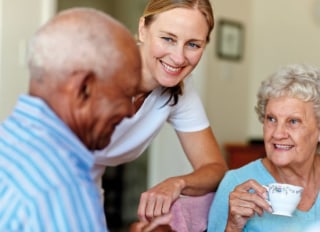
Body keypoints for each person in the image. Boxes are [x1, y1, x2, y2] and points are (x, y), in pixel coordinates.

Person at [0, 7, 141, 232]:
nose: (130, 111)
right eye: (126, 94)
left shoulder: (8, 143)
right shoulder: (61, 188)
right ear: (83, 88)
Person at [92, 0, 228, 223]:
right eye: (168, 39)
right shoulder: (99, 71)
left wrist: (178, 183)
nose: (178, 57)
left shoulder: (181, 91)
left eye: (193, 44)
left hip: (87, 192)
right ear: (143, 29)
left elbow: (215, 168)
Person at [207, 64, 320, 232]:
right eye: (271, 119)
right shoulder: (236, 184)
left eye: (293, 121)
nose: (278, 133)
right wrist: (232, 226)